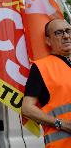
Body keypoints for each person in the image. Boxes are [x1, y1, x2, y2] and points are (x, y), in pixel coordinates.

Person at [21, 19, 71, 147]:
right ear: (48, 41)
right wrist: (60, 123)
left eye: (68, 31)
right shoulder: (41, 67)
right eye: (59, 33)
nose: (66, 35)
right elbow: (27, 108)